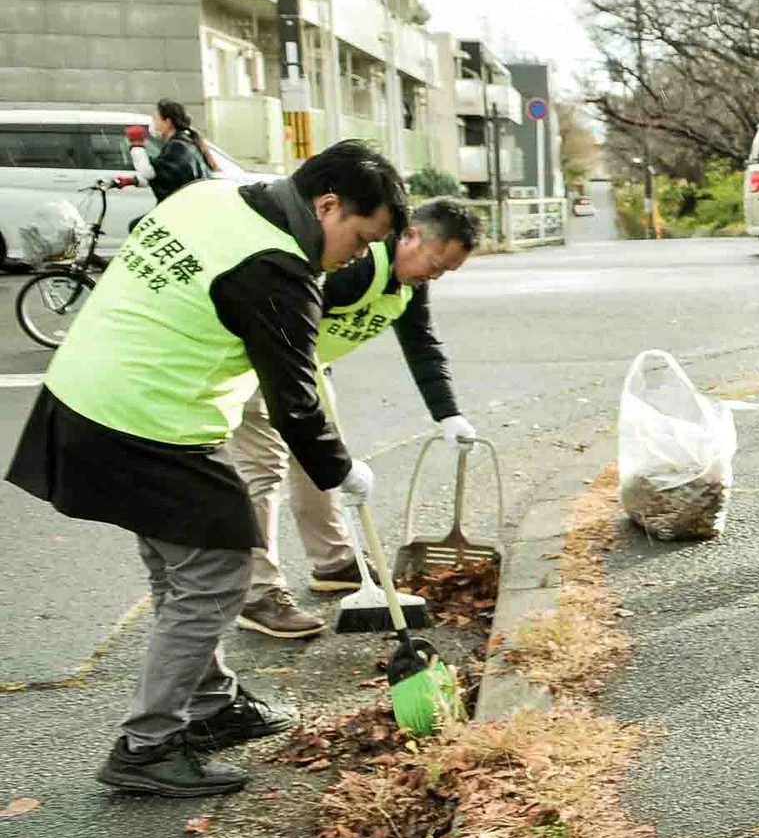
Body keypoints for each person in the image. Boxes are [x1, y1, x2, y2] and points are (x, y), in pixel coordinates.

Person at [7, 142, 406, 799]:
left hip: (86, 396)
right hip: (144, 422)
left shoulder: (209, 197)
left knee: (181, 567)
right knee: (219, 568)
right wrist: (339, 470)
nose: (360, 256)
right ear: (326, 204)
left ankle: (211, 702)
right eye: (361, 239)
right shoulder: (277, 268)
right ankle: (147, 744)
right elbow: (295, 403)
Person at [226, 196, 482, 638]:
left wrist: (448, 415)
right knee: (262, 472)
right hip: (255, 367)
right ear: (411, 235)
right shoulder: (354, 269)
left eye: (444, 273)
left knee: (321, 459)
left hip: (306, 372)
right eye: (434, 264)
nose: (433, 277)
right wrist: (296, 389)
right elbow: (278, 318)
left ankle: (332, 561)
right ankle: (258, 593)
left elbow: (421, 345)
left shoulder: (407, 284)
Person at [143, 99, 211, 204]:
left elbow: (162, 175)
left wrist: (136, 148)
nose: (154, 123)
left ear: (168, 122)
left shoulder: (178, 147)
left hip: (182, 207)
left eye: (156, 119)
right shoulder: (185, 142)